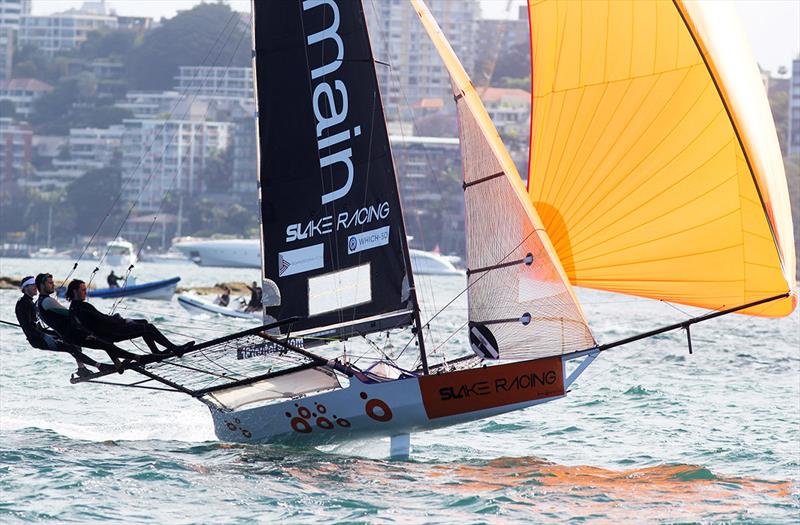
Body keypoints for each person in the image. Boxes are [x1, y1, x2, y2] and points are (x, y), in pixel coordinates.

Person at [15, 276, 115, 377]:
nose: (35, 287)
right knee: (70, 347)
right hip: (37, 339)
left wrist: (55, 333)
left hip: (41, 335)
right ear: (25, 287)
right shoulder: (23, 304)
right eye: (32, 286)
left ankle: (82, 369)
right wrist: (45, 336)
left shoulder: (30, 302)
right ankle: (99, 366)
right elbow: (28, 327)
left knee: (71, 339)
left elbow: (37, 326)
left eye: (35, 285)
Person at [35, 272, 140, 368]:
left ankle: (115, 363)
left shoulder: (39, 302)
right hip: (74, 334)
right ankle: (135, 358)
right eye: (50, 283)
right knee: (105, 341)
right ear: (42, 285)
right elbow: (70, 314)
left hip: (69, 334)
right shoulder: (48, 301)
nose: (53, 285)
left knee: (105, 343)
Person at [66, 279, 193, 355]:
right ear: (75, 291)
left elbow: (100, 319)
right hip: (112, 333)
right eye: (83, 290)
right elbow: (103, 319)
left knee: (143, 322)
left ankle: (156, 352)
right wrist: (121, 320)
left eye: (85, 289)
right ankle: (176, 349)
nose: (85, 292)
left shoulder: (75, 307)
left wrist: (119, 319)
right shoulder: (82, 307)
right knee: (147, 327)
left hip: (109, 329)